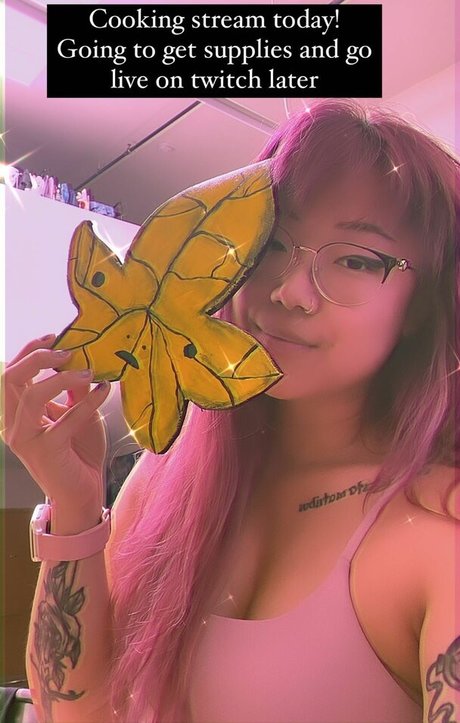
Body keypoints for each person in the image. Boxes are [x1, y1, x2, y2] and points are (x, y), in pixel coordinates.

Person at [2, 98, 459, 723]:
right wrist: (75, 508)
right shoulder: (168, 475)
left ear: (422, 304)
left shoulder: (437, 527)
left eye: (356, 260)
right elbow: (72, 714)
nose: (290, 291)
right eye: (270, 243)